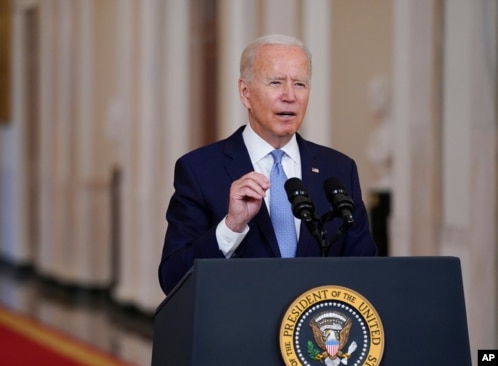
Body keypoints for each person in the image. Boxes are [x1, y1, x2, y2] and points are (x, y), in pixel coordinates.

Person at [158, 34, 377, 295]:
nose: (290, 96)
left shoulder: (339, 170)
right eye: (276, 82)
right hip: (238, 332)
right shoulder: (199, 170)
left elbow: (366, 274)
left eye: (299, 84)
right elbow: (172, 279)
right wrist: (231, 227)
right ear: (245, 92)